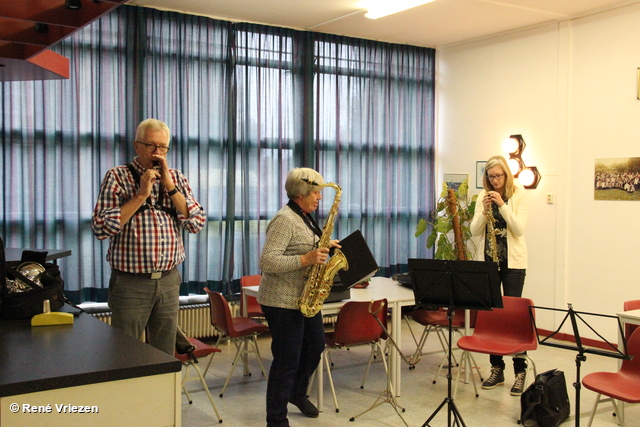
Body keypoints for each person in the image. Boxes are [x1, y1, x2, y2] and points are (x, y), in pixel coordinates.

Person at [92, 118, 205, 355]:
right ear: (137, 146)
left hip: (168, 280)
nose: (158, 153)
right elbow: (101, 228)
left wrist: (170, 187)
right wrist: (141, 195)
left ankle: (161, 393)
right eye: (151, 146)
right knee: (126, 352)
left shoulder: (176, 177)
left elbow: (196, 223)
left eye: (163, 147)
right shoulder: (117, 176)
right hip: (131, 284)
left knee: (164, 351)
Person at [258, 167, 341, 427]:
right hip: (281, 301)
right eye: (315, 192)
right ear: (301, 193)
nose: (319, 197)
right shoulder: (285, 219)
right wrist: (305, 259)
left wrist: (326, 246)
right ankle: (276, 419)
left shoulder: (305, 217)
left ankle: (296, 393)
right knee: (286, 360)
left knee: (315, 347)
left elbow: (305, 246)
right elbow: (267, 261)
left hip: (305, 299)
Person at [470, 155, 530, 396]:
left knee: (514, 317)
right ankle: (497, 368)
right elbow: (474, 231)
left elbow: (519, 228)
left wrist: (503, 206)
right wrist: (484, 210)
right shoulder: (481, 198)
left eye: (498, 176)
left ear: (506, 175)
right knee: (493, 315)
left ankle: (520, 370)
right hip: (489, 263)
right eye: (490, 177)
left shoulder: (519, 194)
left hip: (513, 264)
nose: (494, 181)